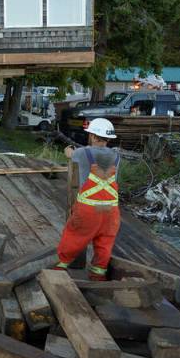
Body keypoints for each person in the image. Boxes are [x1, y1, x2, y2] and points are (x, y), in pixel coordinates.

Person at [54, 118, 121, 281]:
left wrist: (69, 152)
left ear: (92, 135)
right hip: (111, 211)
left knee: (73, 236)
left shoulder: (82, 153)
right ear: (109, 138)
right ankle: (98, 276)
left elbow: (71, 155)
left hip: (89, 209)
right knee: (104, 243)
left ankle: (58, 270)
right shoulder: (117, 156)